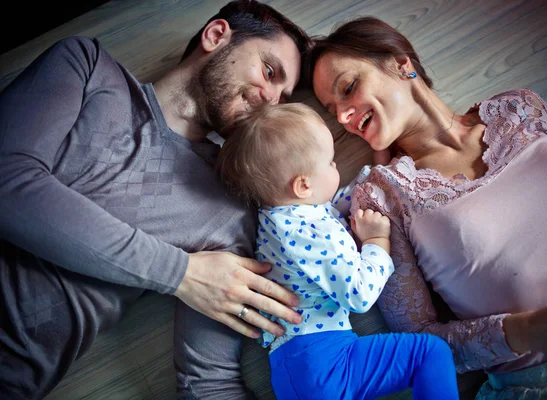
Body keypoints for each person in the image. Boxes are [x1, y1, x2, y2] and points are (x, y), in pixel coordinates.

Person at [0, 1, 314, 399]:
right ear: (216, 36)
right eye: (269, 72)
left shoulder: (231, 210)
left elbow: (208, 383)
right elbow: (8, 180)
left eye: (282, 98)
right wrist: (181, 274)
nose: (270, 102)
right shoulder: (86, 67)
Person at [308, 16, 547, 399]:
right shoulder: (381, 195)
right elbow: (418, 344)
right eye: (334, 111)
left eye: (348, 87)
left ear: (400, 63)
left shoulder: (521, 108)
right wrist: (532, 329)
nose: (345, 117)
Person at [216, 103, 459, 400]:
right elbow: (359, 295)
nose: (336, 168)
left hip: (294, 369)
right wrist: (376, 241)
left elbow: (332, 205)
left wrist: (376, 170)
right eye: (330, 162)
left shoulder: (284, 218)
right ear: (303, 185)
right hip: (325, 362)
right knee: (430, 353)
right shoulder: (310, 234)